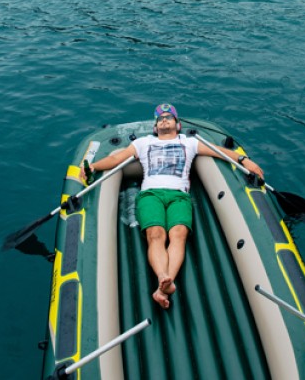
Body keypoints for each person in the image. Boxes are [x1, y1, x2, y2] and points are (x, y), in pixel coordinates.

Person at [80, 104, 264, 309]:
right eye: (160, 119)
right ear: (155, 126)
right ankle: (163, 278)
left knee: (178, 234)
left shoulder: (190, 143)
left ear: (178, 124)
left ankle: (164, 285)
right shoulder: (143, 143)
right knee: (155, 234)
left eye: (169, 118)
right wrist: (93, 167)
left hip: (179, 196)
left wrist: (244, 160)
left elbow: (218, 152)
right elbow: (116, 158)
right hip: (151, 194)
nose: (164, 120)